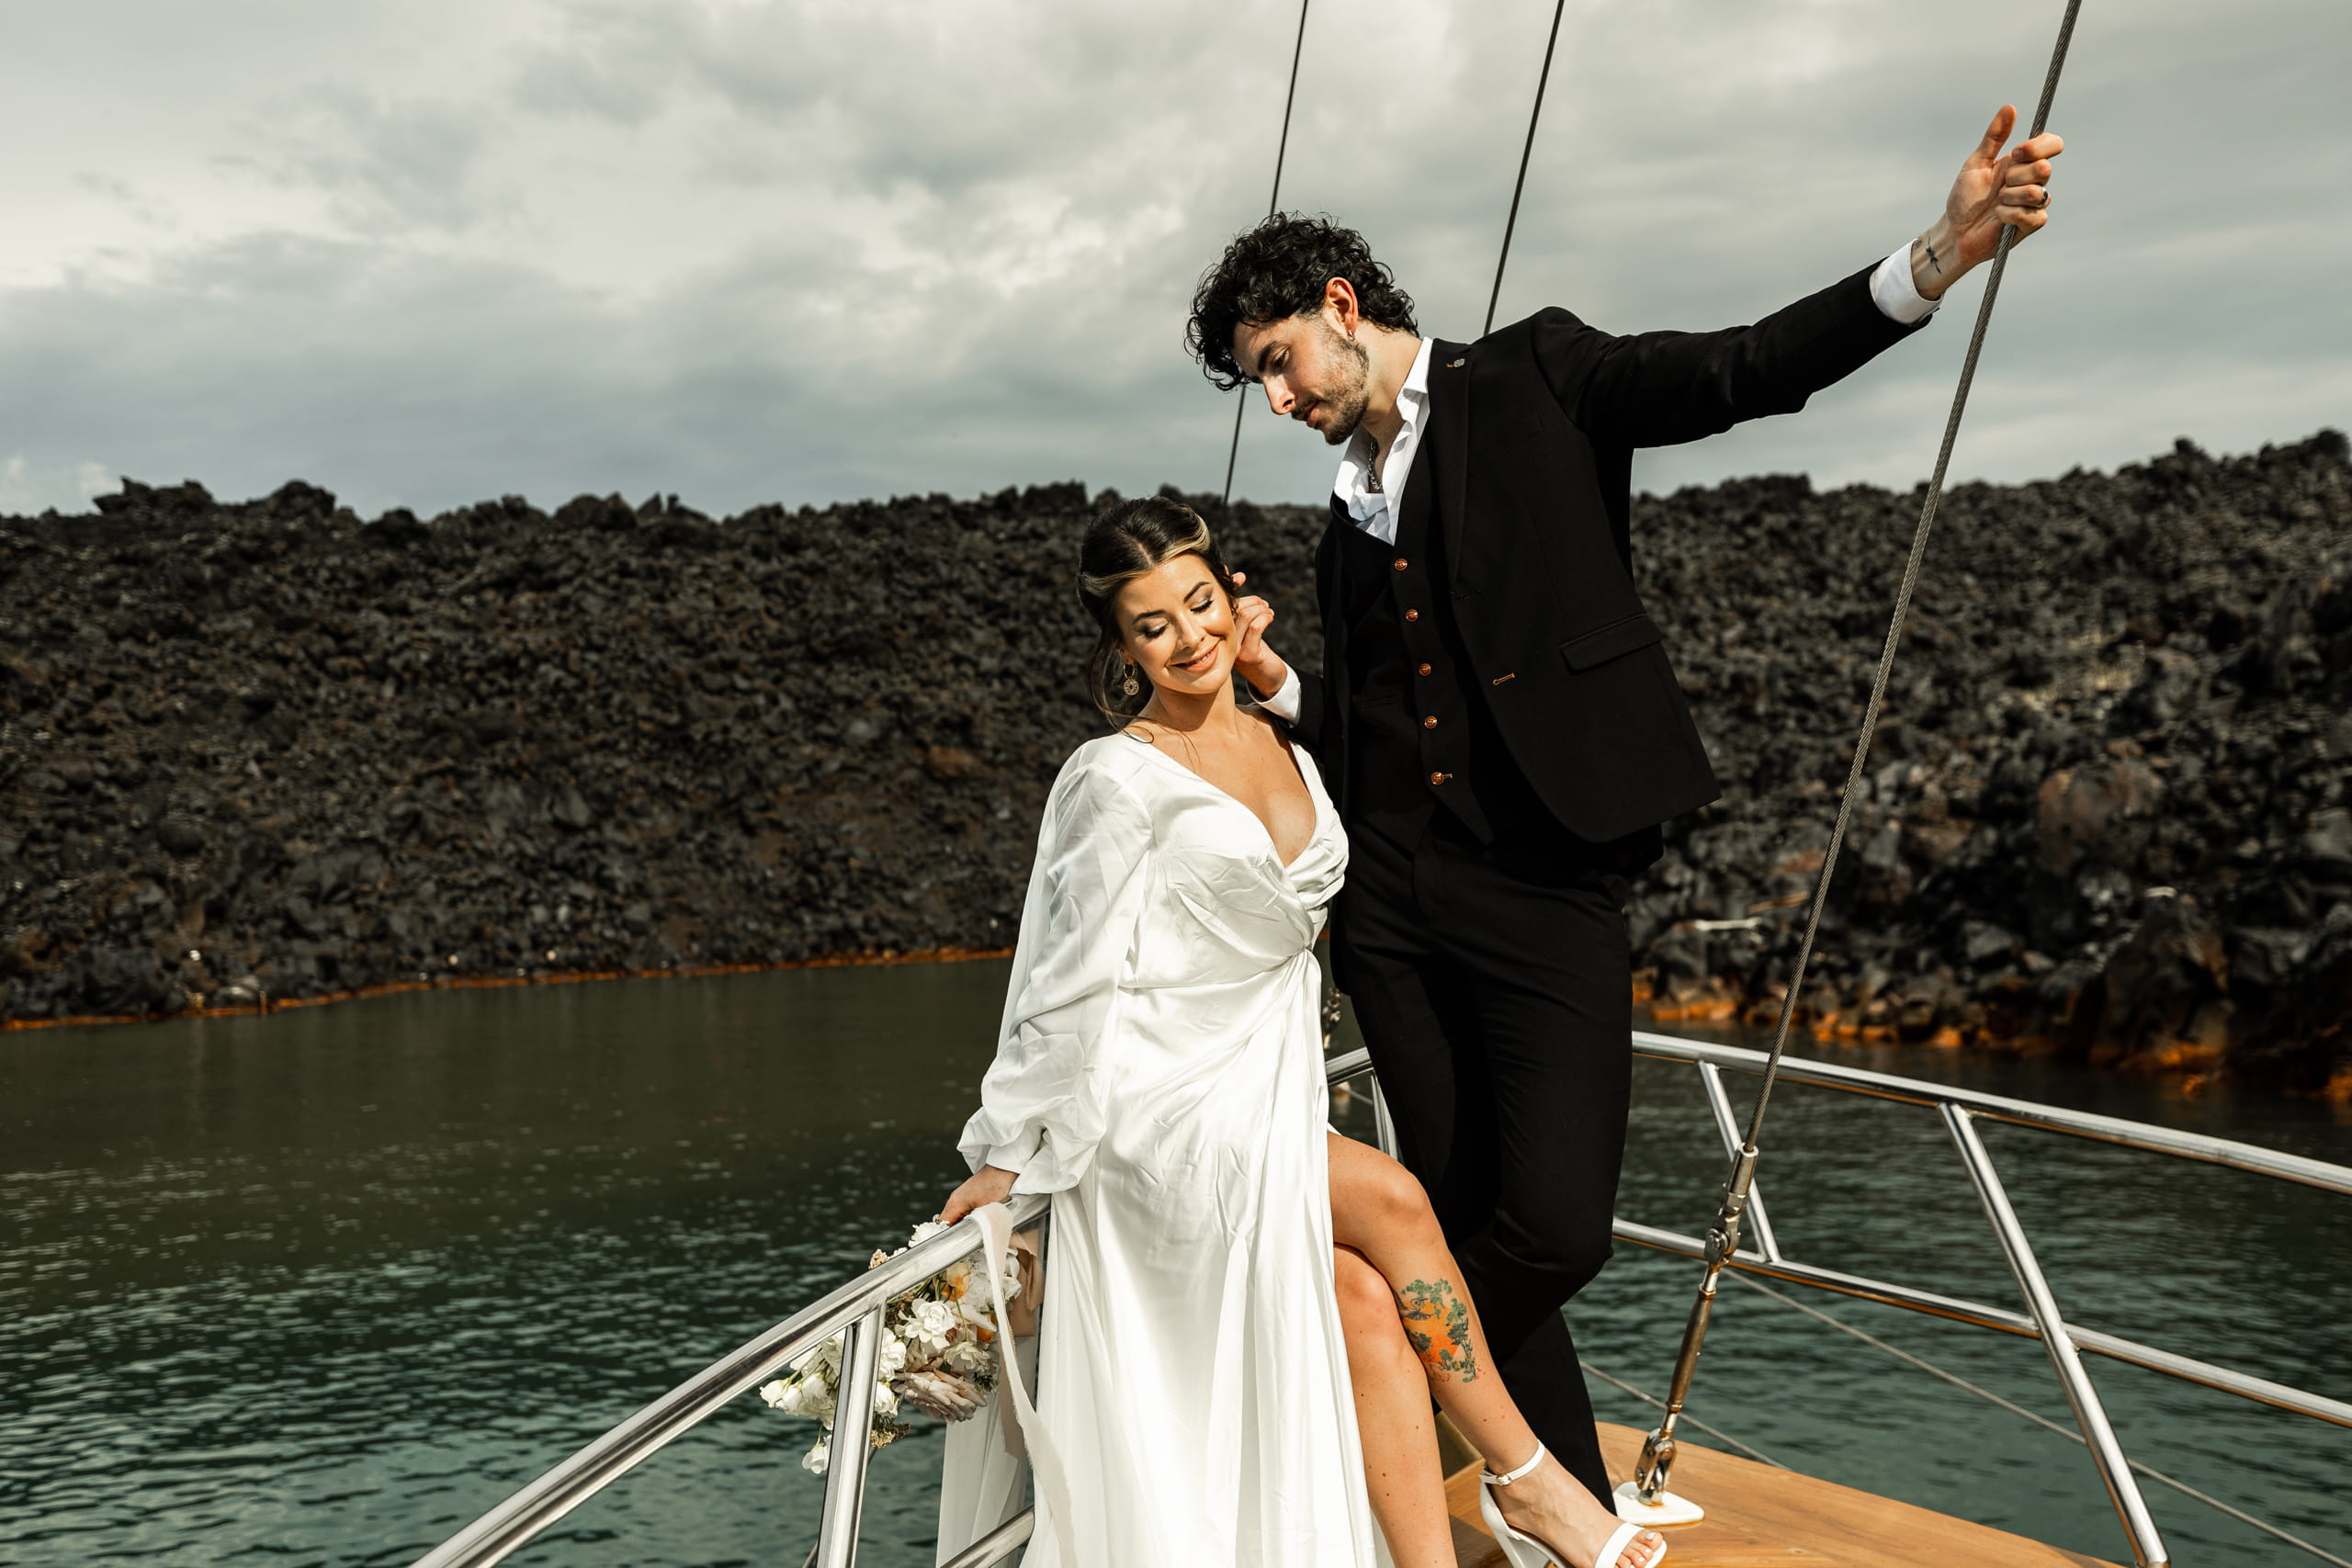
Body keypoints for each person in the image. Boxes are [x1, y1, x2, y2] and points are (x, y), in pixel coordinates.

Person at [1187, 107, 2065, 1510]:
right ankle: (1564, 1503)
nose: (1277, 403)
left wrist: (1936, 257)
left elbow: (1736, 372)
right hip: (1394, 913)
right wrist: (1281, 678)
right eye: (1258, 388)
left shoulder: (1536, 370)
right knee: (1466, 1210)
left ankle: (1350, 1380)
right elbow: (1364, 701)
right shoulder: (1340, 512)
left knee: (1554, 1224)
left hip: (1547, 880)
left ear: (1340, 304)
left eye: (1278, 365)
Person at [936, 497, 1666, 1568]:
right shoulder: (1115, 777)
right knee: (1398, 1197)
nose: (1188, 638)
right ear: (1121, 649)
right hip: (1157, 1114)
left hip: (1259, 1090)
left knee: (1365, 1301)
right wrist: (1007, 1158)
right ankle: (1532, 1484)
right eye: (1153, 625)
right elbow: (1064, 983)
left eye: (1200, 603)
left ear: (1235, 600)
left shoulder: (1293, 747)